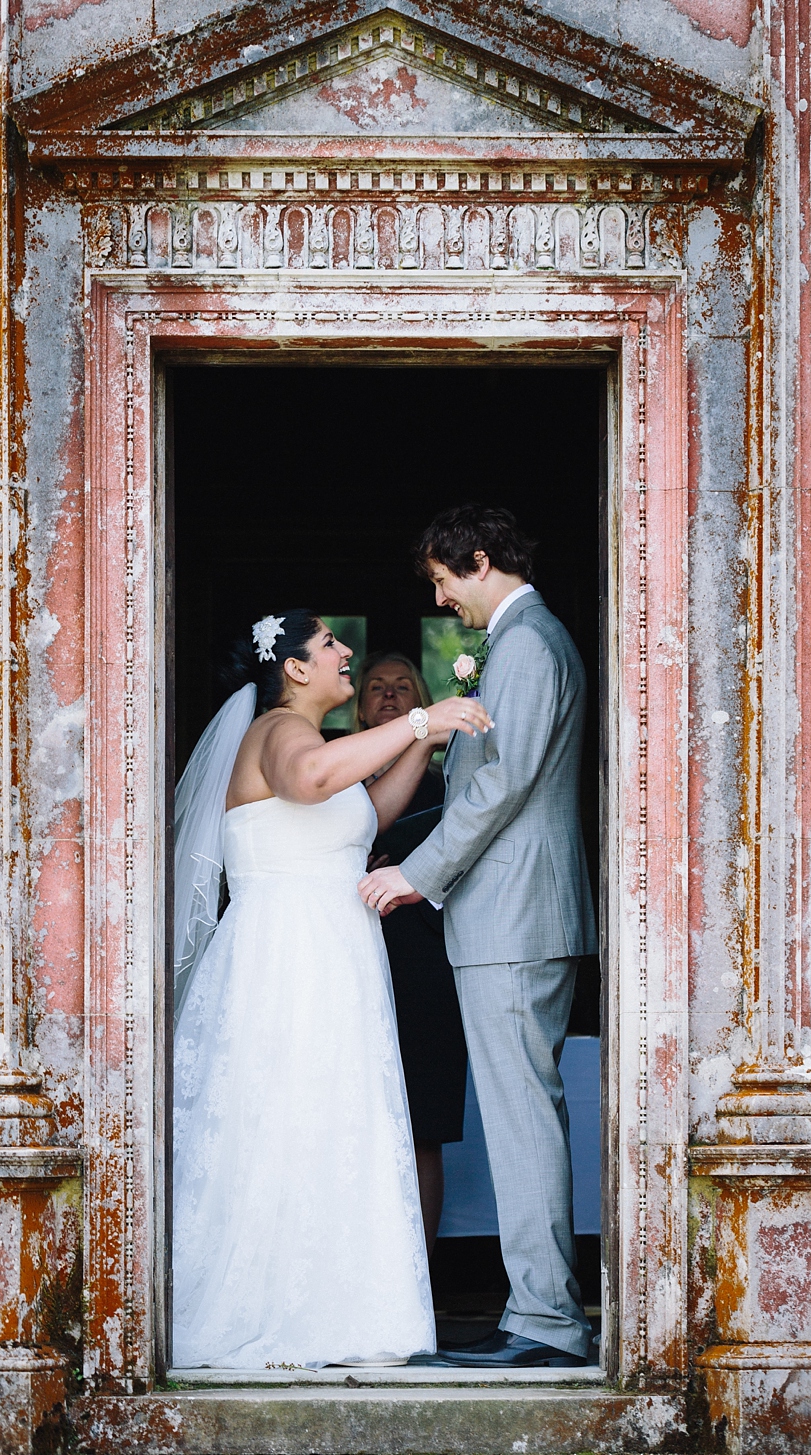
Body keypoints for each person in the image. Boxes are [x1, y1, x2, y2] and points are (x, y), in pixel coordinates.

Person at [171, 610, 492, 1370]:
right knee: (287, 1118)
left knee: (337, 1124)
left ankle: (339, 1309)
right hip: (286, 964)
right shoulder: (280, 734)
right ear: (292, 669)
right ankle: (273, 1307)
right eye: (329, 645)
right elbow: (312, 781)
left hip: (337, 960)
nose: (346, 651)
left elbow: (365, 813)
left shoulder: (315, 740)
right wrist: (423, 712)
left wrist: (420, 740)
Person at [359, 505, 598, 1369]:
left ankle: (547, 1322)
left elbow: (499, 785)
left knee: (523, 1116)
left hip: (514, 915)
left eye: (442, 578)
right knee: (519, 1113)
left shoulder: (530, 643)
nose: (439, 595)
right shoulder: (527, 639)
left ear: (482, 560)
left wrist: (416, 875)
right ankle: (536, 1311)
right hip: (508, 915)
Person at [354, 652, 468, 1255]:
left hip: (425, 965)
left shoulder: (451, 787)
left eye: (404, 686)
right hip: (345, 962)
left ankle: (420, 1284)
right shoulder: (337, 776)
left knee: (422, 1124)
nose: (391, 696)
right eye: (377, 687)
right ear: (358, 704)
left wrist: (416, 876)